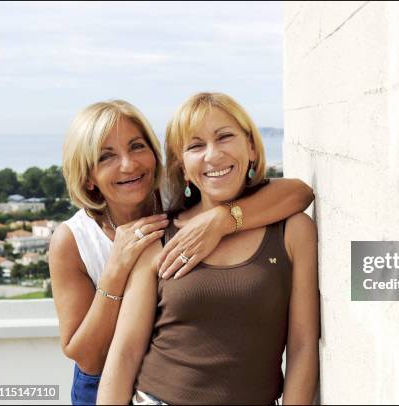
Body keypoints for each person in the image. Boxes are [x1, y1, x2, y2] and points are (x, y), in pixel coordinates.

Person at [49, 99, 315, 405]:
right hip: (105, 379)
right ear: (87, 176)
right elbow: (95, 357)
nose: (128, 164)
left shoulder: (175, 195)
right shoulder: (74, 239)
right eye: (106, 157)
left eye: (137, 146)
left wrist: (223, 220)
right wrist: (115, 270)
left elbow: (300, 192)